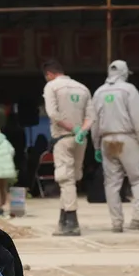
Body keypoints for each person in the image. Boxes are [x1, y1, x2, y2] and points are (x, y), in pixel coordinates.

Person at [88, 60, 139, 233]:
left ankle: (116, 222)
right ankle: (138, 219)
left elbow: (94, 121)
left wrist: (96, 146)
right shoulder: (129, 90)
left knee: (111, 183)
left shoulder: (99, 92)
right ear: (124, 72)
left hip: (106, 140)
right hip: (127, 139)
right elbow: (138, 119)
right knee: (138, 179)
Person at [42, 60, 92, 236]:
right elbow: (90, 116)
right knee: (74, 178)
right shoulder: (83, 88)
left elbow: (53, 114)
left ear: (49, 74)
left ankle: (71, 222)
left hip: (63, 138)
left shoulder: (52, 87)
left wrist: (72, 128)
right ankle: (63, 219)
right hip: (80, 140)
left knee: (65, 179)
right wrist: (82, 131)